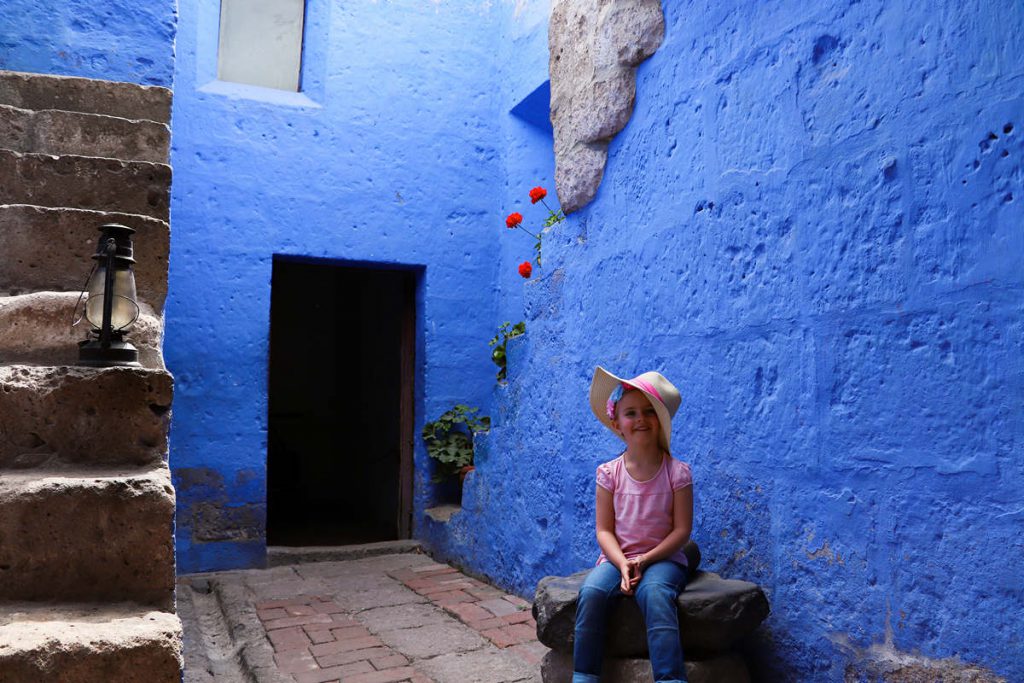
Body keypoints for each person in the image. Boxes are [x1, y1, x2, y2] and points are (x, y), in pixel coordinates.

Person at [573, 367, 693, 683]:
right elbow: (604, 530)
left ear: (660, 420)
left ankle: (669, 678)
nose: (640, 419)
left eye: (648, 411)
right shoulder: (608, 474)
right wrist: (623, 563)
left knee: (655, 594)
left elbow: (682, 531)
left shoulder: (677, 473)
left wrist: (645, 560)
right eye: (631, 413)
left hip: (663, 560)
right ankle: (584, 675)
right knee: (593, 592)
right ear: (617, 424)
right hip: (617, 559)